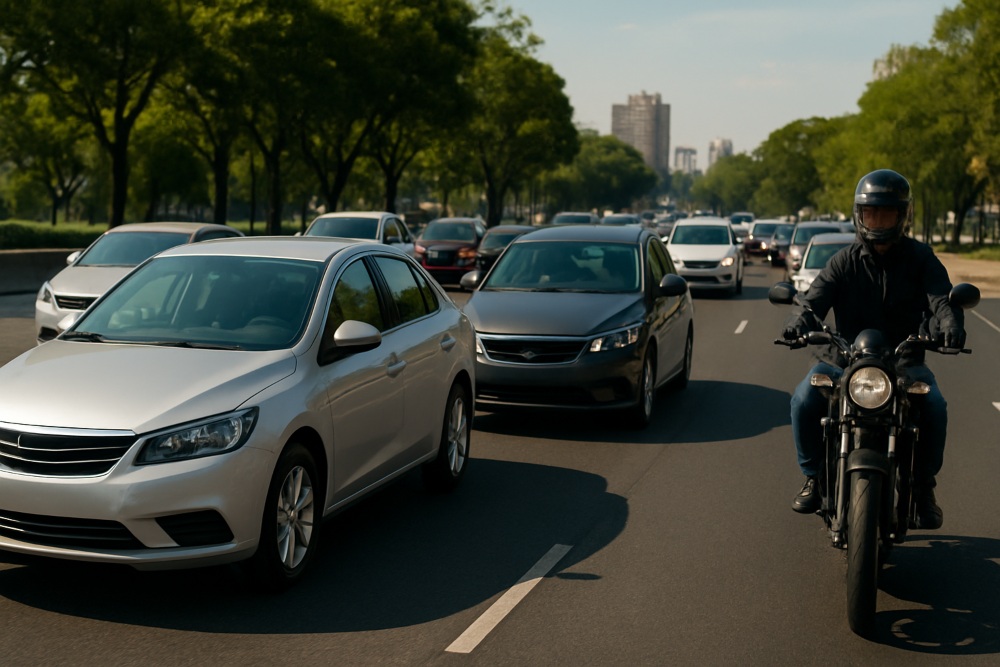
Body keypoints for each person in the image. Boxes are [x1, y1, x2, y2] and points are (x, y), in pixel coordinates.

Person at [782, 169, 965, 529]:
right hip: (845, 360)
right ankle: (815, 478)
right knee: (804, 398)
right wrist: (798, 324)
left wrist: (951, 325)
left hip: (903, 362)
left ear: (902, 216)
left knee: (935, 406)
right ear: (859, 215)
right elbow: (812, 301)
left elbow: (942, 299)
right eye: (871, 213)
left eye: (887, 213)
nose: (878, 221)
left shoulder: (921, 258)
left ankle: (924, 488)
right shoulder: (843, 261)